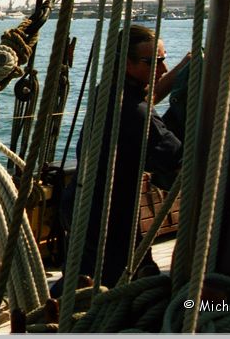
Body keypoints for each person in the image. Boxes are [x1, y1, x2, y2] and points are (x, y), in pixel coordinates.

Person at [53, 24, 185, 293]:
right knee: (102, 286)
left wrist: (183, 68)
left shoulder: (109, 91)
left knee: (85, 276)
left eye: (163, 58)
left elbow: (146, 97)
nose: (162, 68)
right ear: (127, 63)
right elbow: (176, 159)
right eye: (153, 62)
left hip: (81, 202)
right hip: (107, 216)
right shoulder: (134, 114)